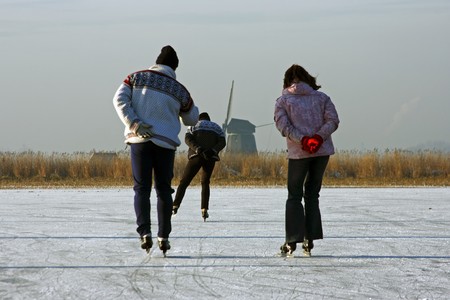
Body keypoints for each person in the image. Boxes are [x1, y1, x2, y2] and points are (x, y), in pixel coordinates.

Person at [112, 45, 199, 255]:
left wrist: (134, 123)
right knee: (163, 190)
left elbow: (119, 100)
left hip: (139, 140)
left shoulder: (135, 78)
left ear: (156, 62)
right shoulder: (179, 89)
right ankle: (164, 236)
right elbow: (191, 118)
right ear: (174, 67)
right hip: (165, 144)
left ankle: (144, 233)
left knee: (141, 188)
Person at [274, 64, 339, 256]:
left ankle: (292, 241)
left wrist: (303, 140)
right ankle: (309, 240)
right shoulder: (322, 98)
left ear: (287, 81)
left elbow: (283, 126)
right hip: (321, 153)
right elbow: (333, 120)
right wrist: (318, 138)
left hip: (298, 154)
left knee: (294, 195)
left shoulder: (283, 101)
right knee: (312, 194)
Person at [172, 112, 226, 221]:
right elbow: (222, 141)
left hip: (196, 156)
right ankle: (204, 209)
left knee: (184, 182)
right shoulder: (217, 127)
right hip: (210, 158)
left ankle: (175, 205)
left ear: (199, 118)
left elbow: (188, 139)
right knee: (205, 182)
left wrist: (198, 149)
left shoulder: (194, 125)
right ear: (209, 119)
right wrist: (213, 150)